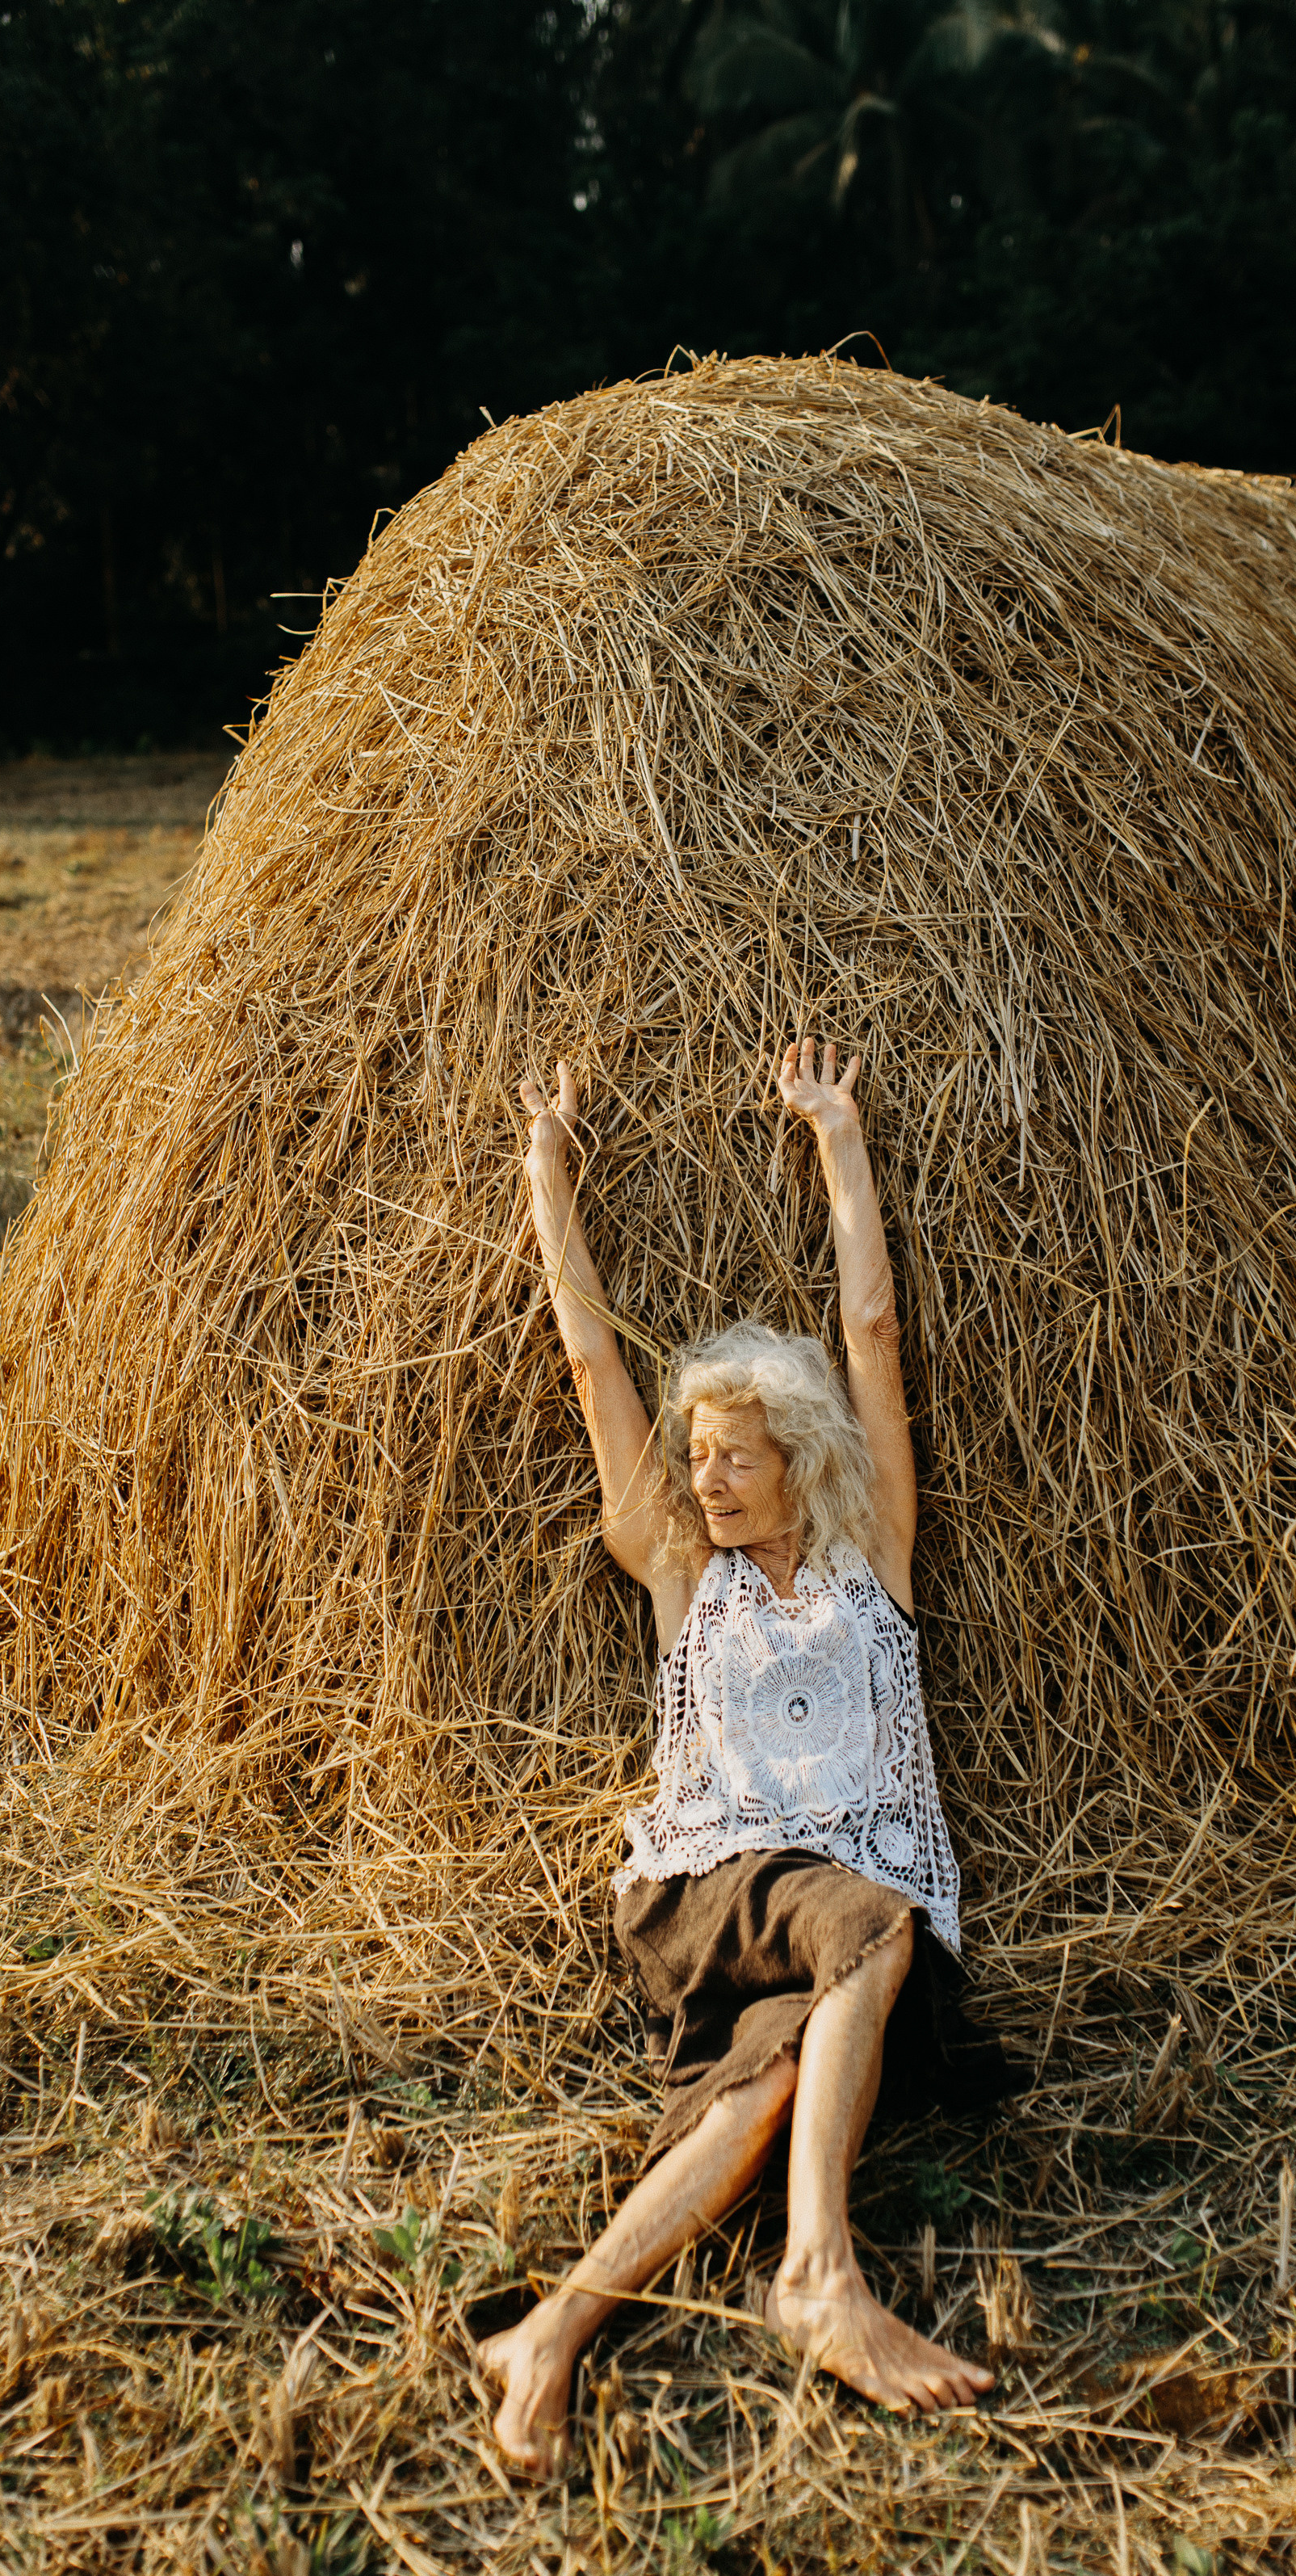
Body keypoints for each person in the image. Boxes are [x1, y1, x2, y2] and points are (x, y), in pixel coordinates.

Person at [480, 1039, 994, 2470]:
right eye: (694, 1453)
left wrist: (839, 1140)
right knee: (867, 1925)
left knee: (764, 2084)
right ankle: (819, 2274)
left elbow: (872, 1333)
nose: (700, 1477)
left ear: (797, 1462)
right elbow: (589, 1358)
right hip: (709, 1896)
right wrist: (547, 1172)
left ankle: (548, 2336)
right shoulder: (678, 1572)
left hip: (838, 1926)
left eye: (731, 1456)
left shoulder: (870, 1557)